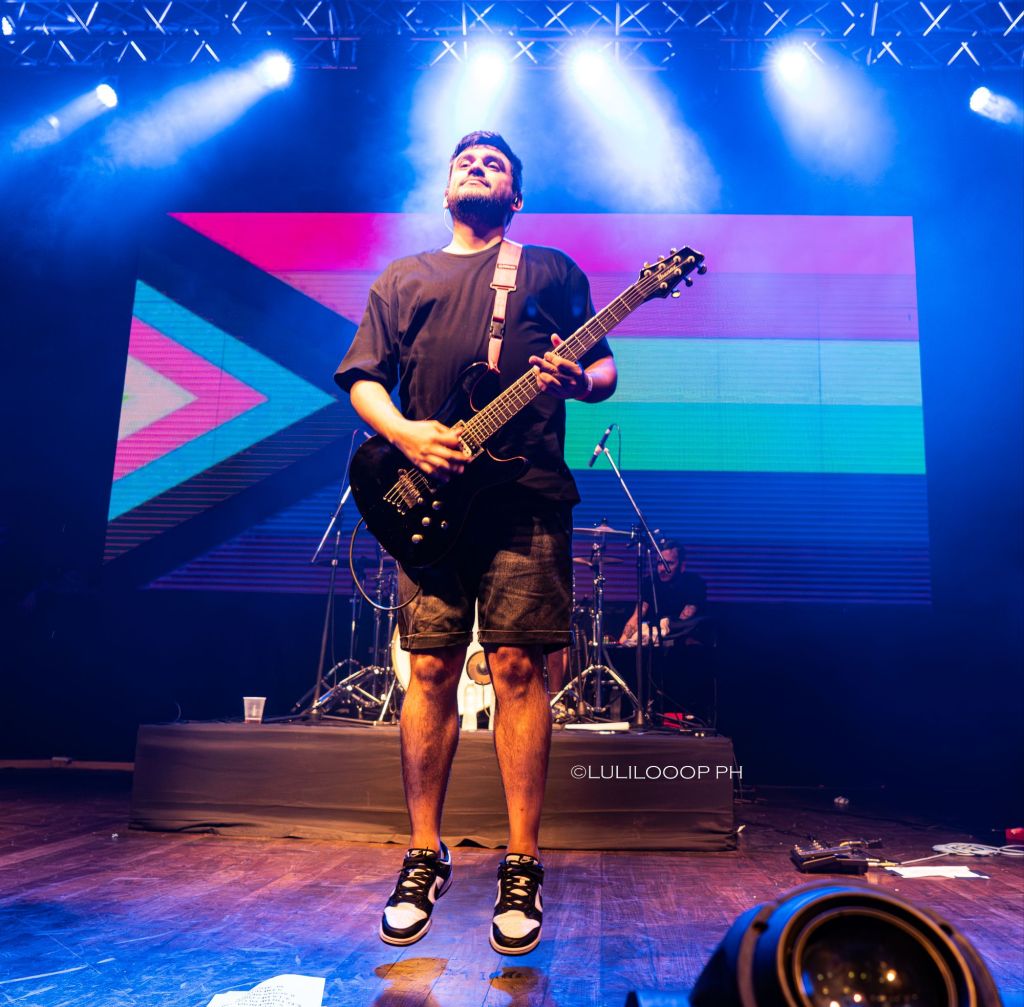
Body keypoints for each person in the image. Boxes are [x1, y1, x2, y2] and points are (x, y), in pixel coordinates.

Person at [335, 131, 617, 955]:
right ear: (445, 188)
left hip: (527, 495)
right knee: (428, 668)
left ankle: (521, 863)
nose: (478, 166)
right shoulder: (404, 277)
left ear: (515, 197)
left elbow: (605, 370)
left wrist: (579, 379)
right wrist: (408, 435)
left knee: (519, 667)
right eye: (465, 161)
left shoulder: (550, 270)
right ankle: (424, 855)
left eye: (495, 163)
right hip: (428, 498)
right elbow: (363, 378)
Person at [618, 538, 707, 645]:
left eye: (668, 563)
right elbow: (638, 615)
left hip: (680, 639)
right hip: (652, 639)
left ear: (682, 566)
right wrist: (622, 641)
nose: (662, 569)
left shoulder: (693, 583)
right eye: (659, 563)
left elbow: (685, 618)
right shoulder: (650, 582)